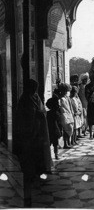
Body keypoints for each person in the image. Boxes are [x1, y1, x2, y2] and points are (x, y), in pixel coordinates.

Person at [17, 79, 52, 207]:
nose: (34, 90)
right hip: (30, 134)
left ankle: (38, 173)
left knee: (38, 155)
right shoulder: (25, 99)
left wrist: (40, 114)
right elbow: (24, 116)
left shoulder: (35, 97)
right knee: (31, 156)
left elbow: (41, 111)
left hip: (38, 132)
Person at [57, 83, 76, 148]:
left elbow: (70, 107)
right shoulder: (61, 99)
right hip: (64, 115)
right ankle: (65, 143)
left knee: (70, 128)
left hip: (69, 115)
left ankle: (68, 142)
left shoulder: (67, 98)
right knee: (65, 130)